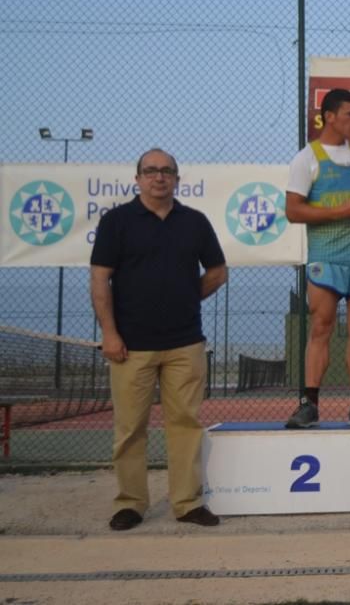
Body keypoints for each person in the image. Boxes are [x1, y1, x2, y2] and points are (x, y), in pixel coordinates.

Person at [90, 148, 228, 531]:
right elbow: (100, 278)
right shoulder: (117, 222)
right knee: (130, 428)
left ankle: (187, 503)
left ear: (177, 179)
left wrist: (186, 297)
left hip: (185, 344)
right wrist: (110, 333)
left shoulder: (195, 222)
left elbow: (217, 272)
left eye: (166, 171)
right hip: (130, 346)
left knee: (185, 424)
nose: (159, 177)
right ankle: (131, 503)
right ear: (138, 179)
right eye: (151, 171)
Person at [284, 88, 350, 429]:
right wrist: (341, 210)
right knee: (321, 328)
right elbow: (293, 211)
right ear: (329, 116)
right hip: (326, 257)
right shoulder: (307, 158)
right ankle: (309, 404)